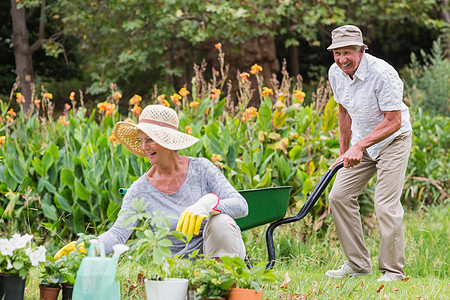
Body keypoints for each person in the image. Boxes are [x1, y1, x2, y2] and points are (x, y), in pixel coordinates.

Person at [82, 104, 247, 259]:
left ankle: (222, 286)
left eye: (149, 140)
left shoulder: (202, 169)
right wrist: (88, 246)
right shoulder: (141, 189)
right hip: (177, 268)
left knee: (221, 221)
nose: (144, 147)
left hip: (218, 261)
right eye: (141, 140)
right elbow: (118, 234)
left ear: (168, 141)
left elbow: (240, 205)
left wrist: (207, 207)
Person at [325, 25, 412, 282]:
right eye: (337, 53)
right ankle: (357, 263)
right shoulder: (336, 73)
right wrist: (344, 152)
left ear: (361, 50)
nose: (342, 59)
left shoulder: (382, 73)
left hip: (393, 141)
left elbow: (394, 121)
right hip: (361, 143)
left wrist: (359, 146)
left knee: (385, 205)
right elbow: (343, 111)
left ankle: (393, 271)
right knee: (339, 196)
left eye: (348, 52)